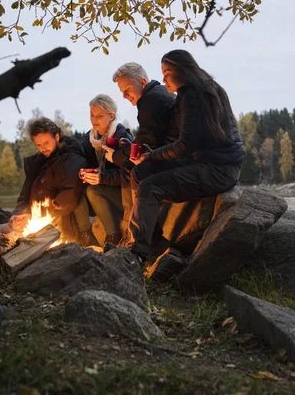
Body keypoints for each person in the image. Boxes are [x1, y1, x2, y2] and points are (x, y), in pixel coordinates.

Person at [127, 50, 246, 260]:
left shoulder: (196, 95)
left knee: (149, 186)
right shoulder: (189, 93)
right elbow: (181, 138)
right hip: (204, 161)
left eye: (167, 73)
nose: (163, 79)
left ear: (183, 71)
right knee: (140, 173)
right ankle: (155, 242)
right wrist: (151, 154)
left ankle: (139, 253)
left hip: (218, 169)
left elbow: (185, 145)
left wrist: (151, 155)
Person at [109, 62, 179, 245]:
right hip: (171, 152)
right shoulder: (157, 94)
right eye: (122, 92)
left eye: (127, 89)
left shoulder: (150, 101)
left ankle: (138, 235)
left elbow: (147, 142)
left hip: (175, 158)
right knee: (130, 166)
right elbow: (150, 137)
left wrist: (115, 156)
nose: (124, 96)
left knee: (130, 169)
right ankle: (135, 231)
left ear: (142, 81)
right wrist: (129, 146)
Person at [10, 117, 86, 243]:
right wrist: (18, 215)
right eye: (38, 145)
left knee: (0, 234)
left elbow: (68, 198)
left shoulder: (71, 159)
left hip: (56, 228)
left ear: (56, 136)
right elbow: (24, 195)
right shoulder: (37, 163)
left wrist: (35, 216)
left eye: (46, 143)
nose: (43, 148)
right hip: (34, 222)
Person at [77, 94, 133, 246]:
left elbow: (131, 174)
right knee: (81, 191)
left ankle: (113, 236)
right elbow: (92, 166)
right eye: (92, 115)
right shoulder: (89, 140)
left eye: (100, 116)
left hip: (127, 193)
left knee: (93, 191)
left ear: (111, 116)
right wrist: (85, 173)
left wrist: (102, 178)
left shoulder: (122, 138)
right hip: (109, 189)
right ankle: (85, 236)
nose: (94, 120)